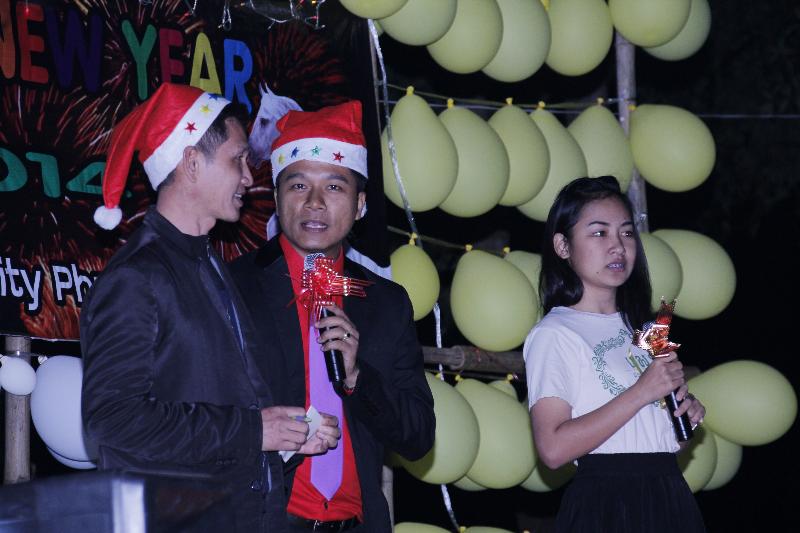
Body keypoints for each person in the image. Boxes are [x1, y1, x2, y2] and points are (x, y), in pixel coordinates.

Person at [80, 83, 339, 533]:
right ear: (191, 163)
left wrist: (286, 437)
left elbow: (216, 408)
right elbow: (112, 421)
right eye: (237, 159)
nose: (249, 177)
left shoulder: (211, 264)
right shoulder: (136, 277)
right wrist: (254, 431)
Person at [230, 100, 435, 532]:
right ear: (277, 198)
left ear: (360, 205)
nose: (315, 203)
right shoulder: (233, 288)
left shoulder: (386, 302)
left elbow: (418, 436)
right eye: (298, 185)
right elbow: (199, 415)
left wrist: (358, 375)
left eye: (335, 187)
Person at [523, 176, 707, 533]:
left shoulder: (647, 330)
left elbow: (659, 441)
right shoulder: (555, 333)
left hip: (668, 492)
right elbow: (553, 449)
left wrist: (684, 419)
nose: (618, 246)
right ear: (563, 246)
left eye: (626, 232)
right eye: (599, 233)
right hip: (607, 501)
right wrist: (642, 392)